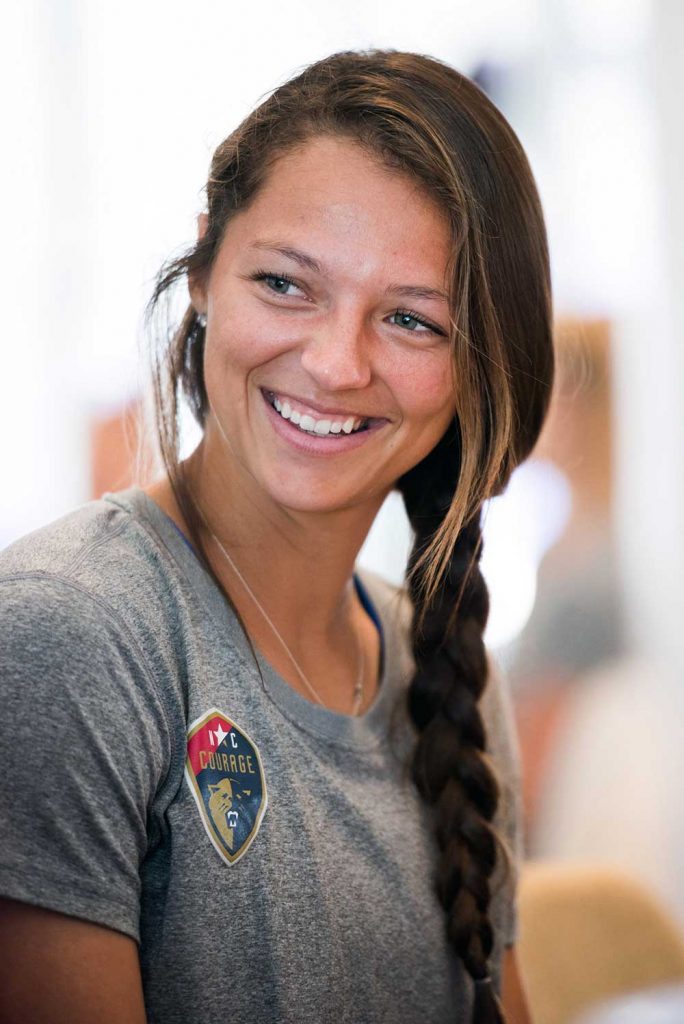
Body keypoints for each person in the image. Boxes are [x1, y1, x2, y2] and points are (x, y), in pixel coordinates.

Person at [0, 49, 553, 1024]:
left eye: (413, 321)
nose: (337, 364)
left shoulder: (445, 670)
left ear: (479, 364)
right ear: (206, 270)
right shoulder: (69, 635)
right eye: (287, 285)